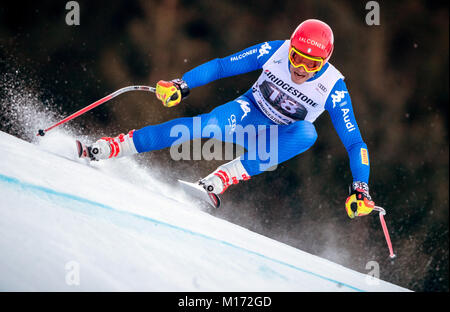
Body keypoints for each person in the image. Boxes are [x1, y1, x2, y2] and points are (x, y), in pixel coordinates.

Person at [85, 19, 374, 219]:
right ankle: (117, 146)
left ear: (325, 62)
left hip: (275, 138)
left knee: (307, 133)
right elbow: (224, 65)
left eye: (312, 64)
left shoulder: (334, 89)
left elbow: (355, 143)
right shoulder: (276, 50)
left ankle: (225, 176)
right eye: (296, 57)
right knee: (202, 127)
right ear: (291, 49)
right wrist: (182, 84)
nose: (300, 68)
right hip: (248, 112)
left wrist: (361, 187)